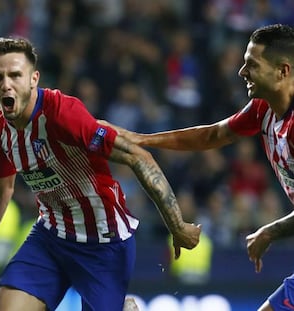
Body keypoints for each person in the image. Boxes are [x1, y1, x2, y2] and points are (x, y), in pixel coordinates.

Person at [0, 37, 201, 311]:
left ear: (33, 79)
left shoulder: (62, 114)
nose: (6, 83)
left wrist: (177, 226)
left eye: (15, 75)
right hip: (51, 238)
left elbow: (138, 157)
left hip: (103, 243)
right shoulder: (0, 130)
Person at [100, 24, 294, 311]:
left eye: (252, 65)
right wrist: (142, 139)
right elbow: (212, 135)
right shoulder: (263, 109)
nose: (242, 72)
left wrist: (270, 232)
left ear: (283, 71)